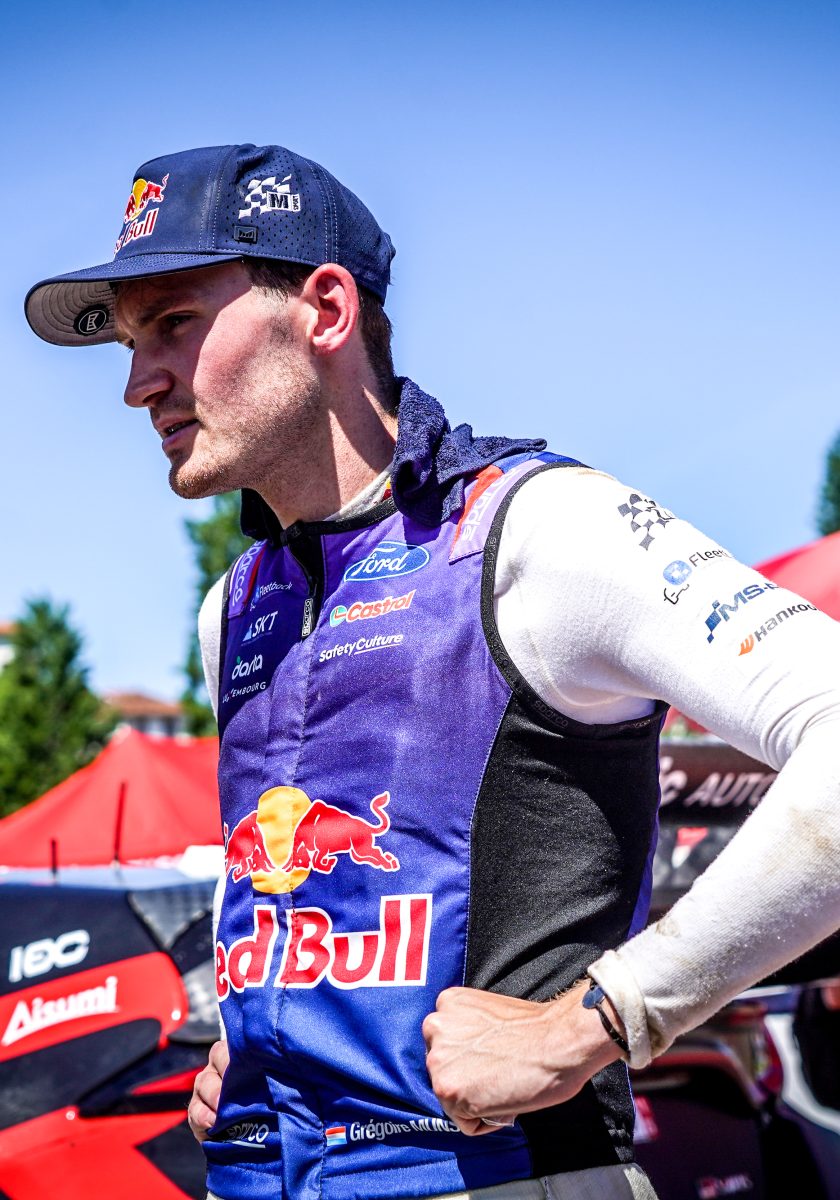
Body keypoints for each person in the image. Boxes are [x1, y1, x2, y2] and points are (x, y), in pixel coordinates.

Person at [25, 143, 840, 1200]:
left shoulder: (536, 525)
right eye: (130, 344)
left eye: (174, 323)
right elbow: (300, 882)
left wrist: (599, 1020)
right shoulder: (235, 604)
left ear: (325, 310)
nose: (139, 384)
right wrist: (255, 1027)